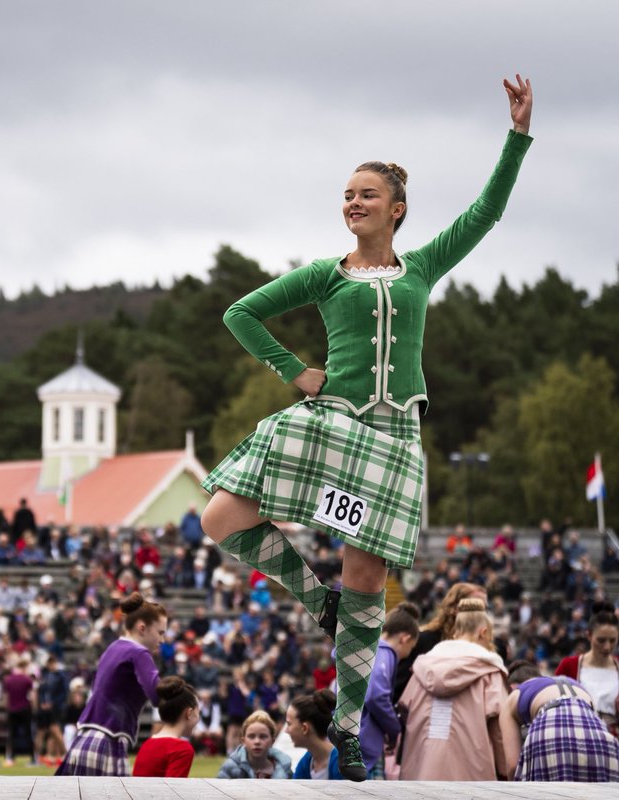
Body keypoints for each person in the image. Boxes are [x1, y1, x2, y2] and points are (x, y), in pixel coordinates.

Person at [198, 75, 533, 781]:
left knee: (366, 579)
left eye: (367, 193)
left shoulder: (425, 266)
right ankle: (310, 594)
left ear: (397, 209)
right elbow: (239, 314)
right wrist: (295, 371)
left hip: (392, 439)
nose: (353, 202)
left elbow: (488, 210)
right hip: (329, 425)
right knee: (218, 515)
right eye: (347, 193)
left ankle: (350, 731)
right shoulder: (326, 273)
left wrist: (517, 136)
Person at [398, 598, 514, 780]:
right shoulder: (490, 672)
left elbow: (405, 710)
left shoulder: (423, 667)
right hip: (472, 778)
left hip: (420, 773)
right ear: (483, 633)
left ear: (455, 633)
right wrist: (505, 770)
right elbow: (499, 729)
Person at [55, 592, 166, 776]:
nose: (162, 640)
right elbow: (157, 695)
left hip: (85, 739)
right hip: (108, 740)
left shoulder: (114, 647)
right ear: (142, 628)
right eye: (160, 633)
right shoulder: (139, 653)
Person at [502, 660, 619, 781]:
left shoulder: (513, 696)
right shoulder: (575, 686)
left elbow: (513, 767)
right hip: (601, 735)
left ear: (511, 687)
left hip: (550, 729)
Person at [360, 604, 419, 779]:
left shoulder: (366, 648)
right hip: (364, 746)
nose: (405, 656)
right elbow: (376, 696)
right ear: (404, 639)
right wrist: (394, 729)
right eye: (409, 649)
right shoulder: (384, 653)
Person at [554, 607, 619, 736]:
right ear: (589, 635)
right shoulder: (569, 665)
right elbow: (553, 703)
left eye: (613, 641)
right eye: (601, 640)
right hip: (576, 736)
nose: (607, 647)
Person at [133, 676, 199, 778]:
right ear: (189, 713)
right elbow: (173, 791)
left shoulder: (147, 744)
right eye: (198, 712)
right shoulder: (182, 749)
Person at [285, 690, 342, 780]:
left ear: (304, 728)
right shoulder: (307, 761)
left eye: (289, 724)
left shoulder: (341, 762)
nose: (286, 730)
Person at [217, 710, 292, 779]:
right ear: (243, 741)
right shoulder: (231, 768)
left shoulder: (284, 769)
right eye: (251, 736)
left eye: (263, 736)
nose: (257, 741)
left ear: (272, 741)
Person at [3, 657, 35, 767]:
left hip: (12, 710)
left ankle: (11, 757)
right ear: (24, 667)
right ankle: (32, 758)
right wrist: (34, 709)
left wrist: (7, 708)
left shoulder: (8, 679)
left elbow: (6, 697)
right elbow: (32, 696)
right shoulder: (27, 679)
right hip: (25, 709)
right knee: (28, 734)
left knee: (12, 734)